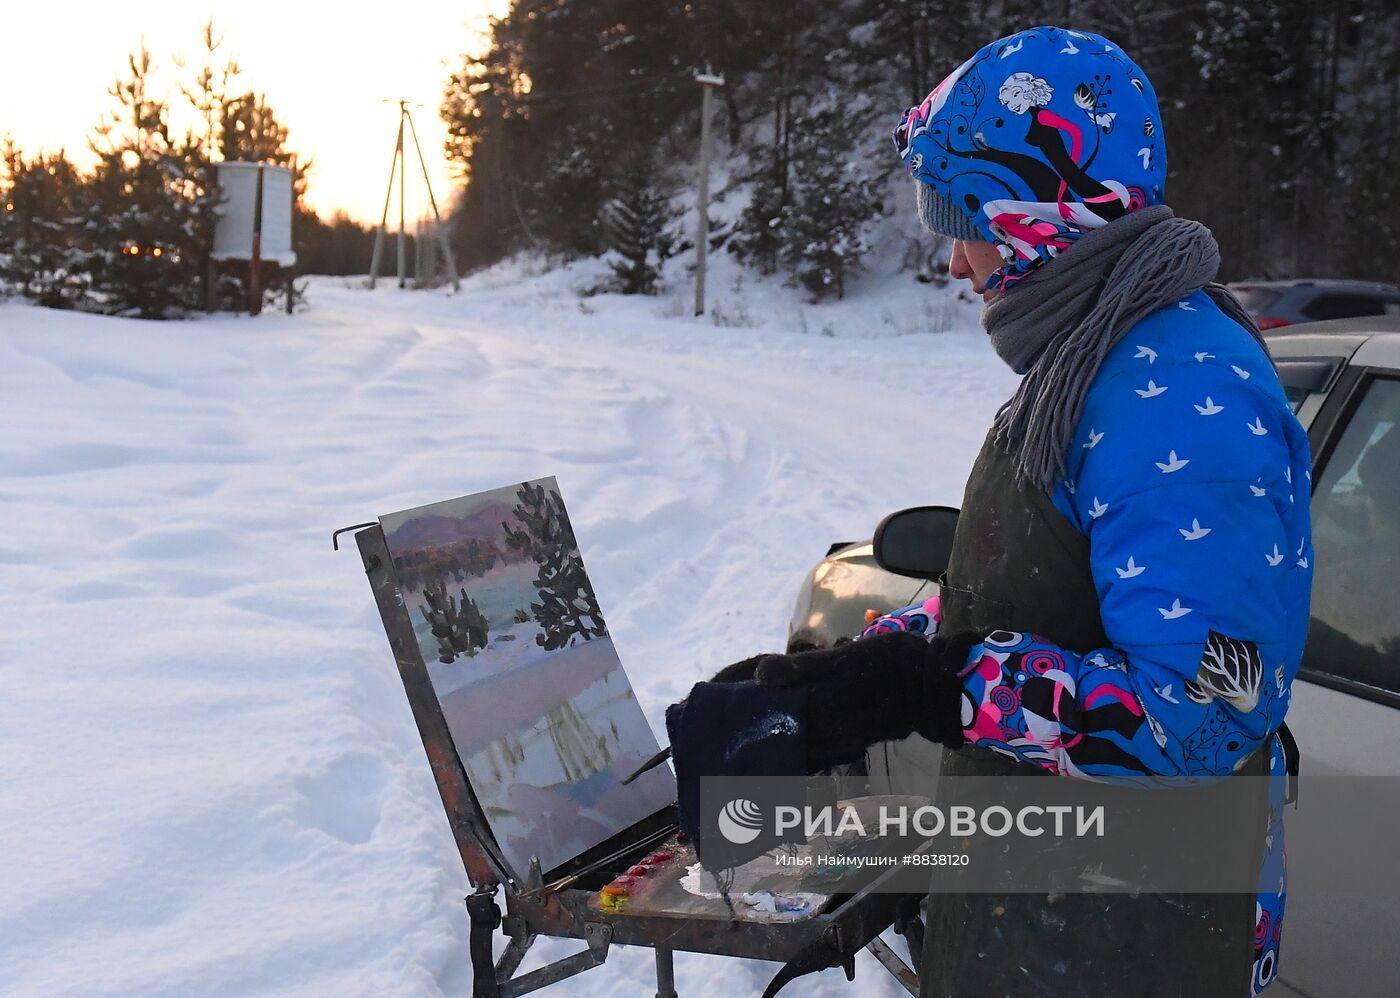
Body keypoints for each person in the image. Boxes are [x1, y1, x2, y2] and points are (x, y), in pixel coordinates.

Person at [679, 24, 1310, 997]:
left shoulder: (1181, 390)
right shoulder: (1096, 356)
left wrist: (926, 685)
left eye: (959, 215)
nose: (953, 261)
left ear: (1035, 213)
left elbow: (1200, 709)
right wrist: (841, 678)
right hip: (1051, 919)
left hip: (1131, 942)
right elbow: (1033, 590)